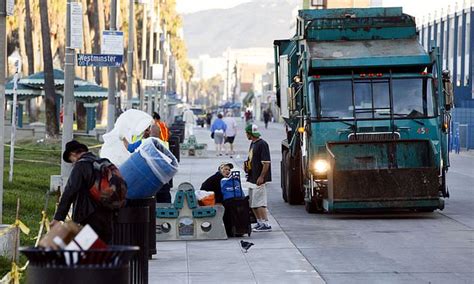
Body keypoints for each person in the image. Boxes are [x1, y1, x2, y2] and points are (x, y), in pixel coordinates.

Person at [51, 140, 114, 243]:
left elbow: (70, 191)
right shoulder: (103, 162)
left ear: (72, 154)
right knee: (104, 251)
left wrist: (58, 217)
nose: (73, 163)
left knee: (87, 252)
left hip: (88, 216)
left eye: (71, 160)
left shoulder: (81, 165)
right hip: (108, 215)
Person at [244, 124, 272, 232]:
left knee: (260, 202)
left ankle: (265, 224)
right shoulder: (253, 143)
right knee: (253, 202)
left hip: (258, 179)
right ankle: (259, 222)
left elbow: (266, 163)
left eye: (247, 133)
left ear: (250, 133)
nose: (246, 135)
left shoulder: (262, 144)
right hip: (252, 177)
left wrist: (262, 177)